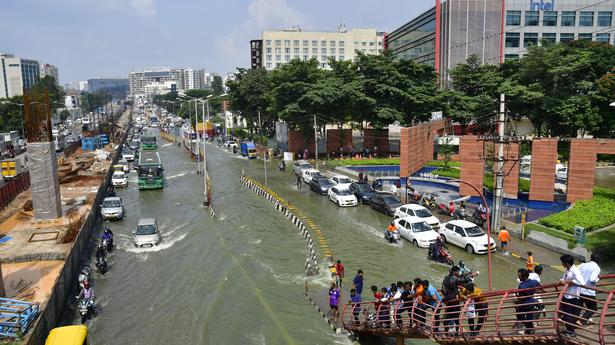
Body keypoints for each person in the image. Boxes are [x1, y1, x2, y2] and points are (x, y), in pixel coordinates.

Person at [559, 254, 586, 336]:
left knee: (568, 315)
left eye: (562, 262)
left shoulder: (575, 270)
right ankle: (568, 330)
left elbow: (582, 283)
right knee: (564, 314)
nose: (561, 264)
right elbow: (564, 279)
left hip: (573, 296)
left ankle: (572, 332)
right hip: (566, 294)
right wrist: (561, 281)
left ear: (567, 263)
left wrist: (572, 282)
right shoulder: (567, 270)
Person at [578, 253, 601, 325]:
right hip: (588, 291)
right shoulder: (597, 268)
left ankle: (572, 320)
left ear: (591, 258)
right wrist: (598, 278)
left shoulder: (583, 265)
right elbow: (592, 279)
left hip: (579, 290)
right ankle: (581, 321)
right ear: (598, 260)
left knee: (577, 307)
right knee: (593, 308)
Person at [516, 268, 540, 335]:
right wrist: (534, 291)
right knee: (530, 316)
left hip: (524, 304)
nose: (518, 277)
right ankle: (529, 331)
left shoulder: (521, 285)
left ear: (524, 277)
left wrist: (517, 304)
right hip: (532, 302)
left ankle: (530, 327)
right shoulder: (534, 282)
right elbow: (541, 288)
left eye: (519, 276)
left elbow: (520, 298)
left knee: (519, 314)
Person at [441, 266, 463, 334]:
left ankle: (446, 333)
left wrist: (444, 300)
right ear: (454, 272)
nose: (458, 273)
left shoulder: (446, 279)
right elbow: (461, 281)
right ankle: (456, 332)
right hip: (455, 304)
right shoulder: (454, 279)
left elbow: (443, 290)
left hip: (450, 303)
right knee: (456, 320)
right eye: (457, 271)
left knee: (446, 321)